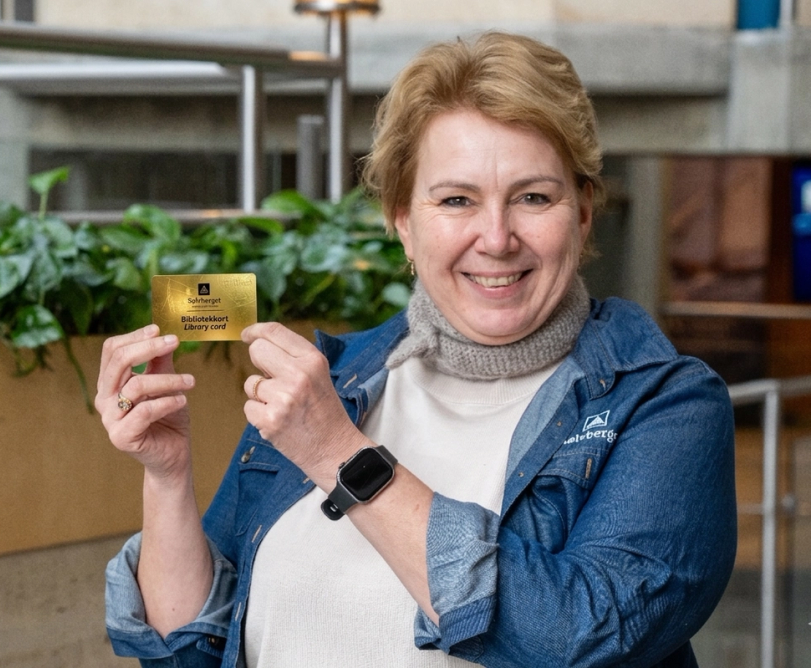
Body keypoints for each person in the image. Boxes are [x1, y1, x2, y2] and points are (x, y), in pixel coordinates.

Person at [97, 31, 737, 668]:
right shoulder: (337, 380)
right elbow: (192, 647)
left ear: (585, 210)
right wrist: (167, 475)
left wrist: (340, 454)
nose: (496, 237)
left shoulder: (664, 405)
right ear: (403, 220)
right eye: (457, 199)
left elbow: (583, 637)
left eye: (533, 198)